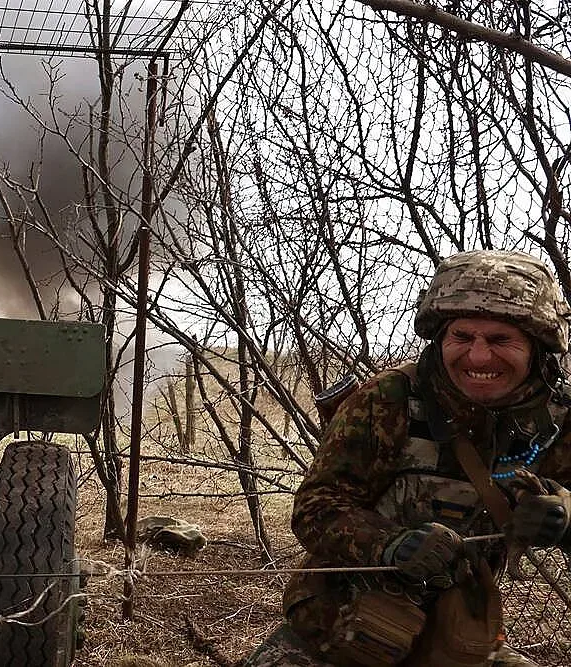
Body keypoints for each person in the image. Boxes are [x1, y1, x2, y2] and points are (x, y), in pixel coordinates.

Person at [244, 250, 571, 667]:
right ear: (441, 337)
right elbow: (316, 509)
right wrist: (388, 544)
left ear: (537, 346)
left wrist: (564, 517)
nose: (478, 357)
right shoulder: (389, 399)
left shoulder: (557, 420)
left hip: (457, 641)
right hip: (338, 631)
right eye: (462, 337)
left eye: (500, 340)